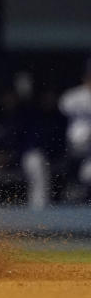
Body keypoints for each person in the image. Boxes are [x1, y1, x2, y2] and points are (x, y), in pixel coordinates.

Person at [58, 57, 91, 202]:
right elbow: (63, 108)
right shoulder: (74, 95)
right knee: (75, 175)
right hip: (76, 142)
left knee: (87, 174)